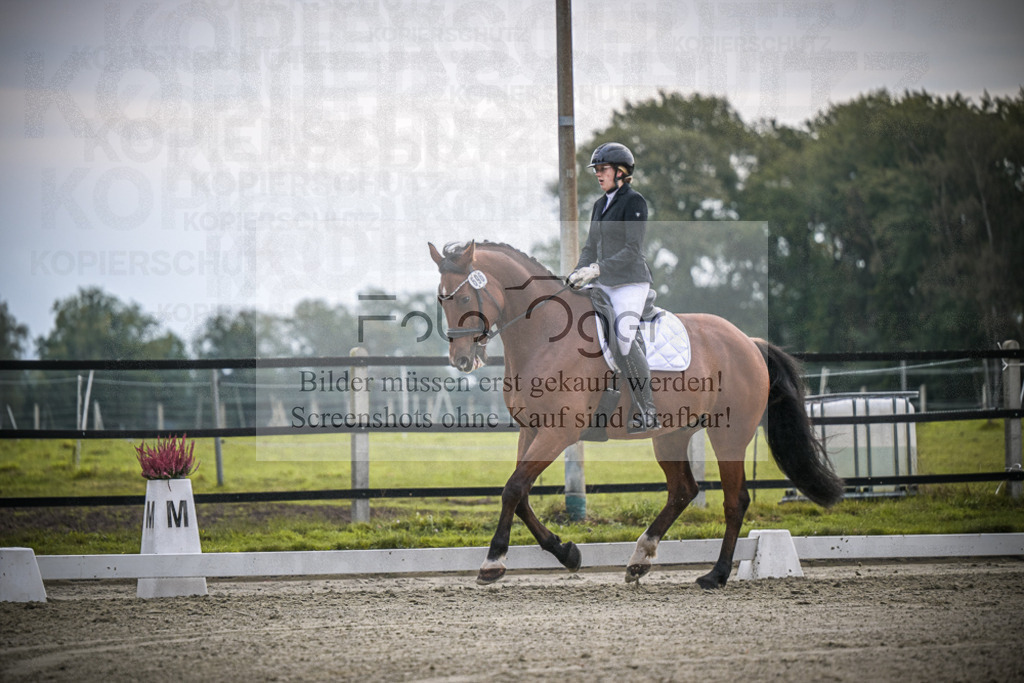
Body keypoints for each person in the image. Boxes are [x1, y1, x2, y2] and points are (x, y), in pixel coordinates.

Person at [568, 142, 660, 434]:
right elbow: (590, 247)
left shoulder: (634, 202)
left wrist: (597, 269)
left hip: (631, 282)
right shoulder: (599, 205)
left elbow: (633, 250)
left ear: (621, 172)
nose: (598, 173)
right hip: (604, 281)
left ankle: (647, 410)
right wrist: (576, 274)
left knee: (621, 337)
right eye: (596, 169)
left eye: (603, 168)